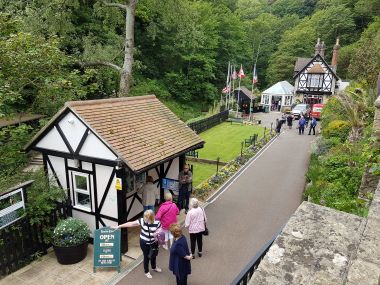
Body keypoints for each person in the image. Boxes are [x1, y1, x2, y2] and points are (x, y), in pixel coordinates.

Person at [115, 210, 162, 279]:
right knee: (146, 257)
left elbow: (160, 231)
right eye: (144, 217)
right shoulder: (142, 221)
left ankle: (154, 267)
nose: (145, 219)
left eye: (146, 218)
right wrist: (119, 226)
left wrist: (157, 233)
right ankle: (146, 272)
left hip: (153, 242)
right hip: (144, 242)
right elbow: (131, 224)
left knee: (153, 255)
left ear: (151, 218)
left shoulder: (157, 223)